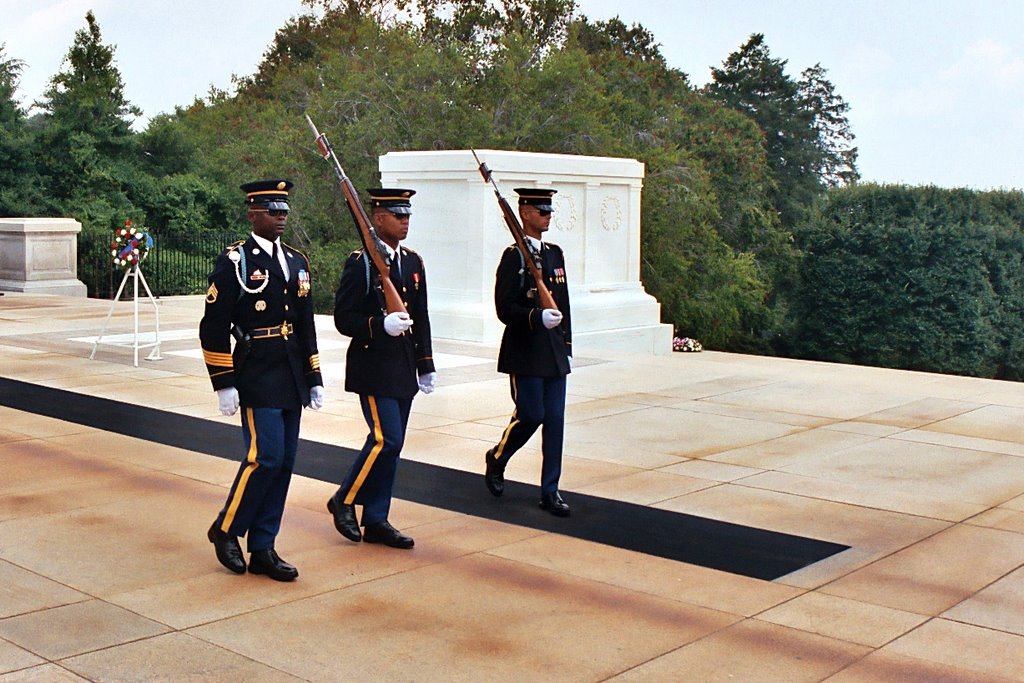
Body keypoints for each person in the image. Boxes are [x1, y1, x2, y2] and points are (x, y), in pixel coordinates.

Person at [200, 179, 324, 581]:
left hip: (290, 374)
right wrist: (224, 381)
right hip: (256, 371)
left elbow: (305, 323)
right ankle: (226, 529)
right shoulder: (236, 261)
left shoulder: (297, 260)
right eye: (273, 210)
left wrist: (314, 375)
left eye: (284, 210)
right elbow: (213, 327)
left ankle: (264, 546)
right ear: (253, 214)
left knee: (284, 463)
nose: (281, 217)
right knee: (263, 458)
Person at [327, 188, 435, 549]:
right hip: (373, 366)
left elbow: (421, 316)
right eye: (397, 215)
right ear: (377, 218)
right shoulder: (361, 263)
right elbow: (344, 318)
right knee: (385, 439)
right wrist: (379, 324)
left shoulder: (413, 262)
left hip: (403, 366)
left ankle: (376, 518)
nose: (405, 221)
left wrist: (426, 364)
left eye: (407, 215)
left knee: (393, 446)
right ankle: (344, 498)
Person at [485, 188, 573, 516]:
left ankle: (550, 491)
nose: (547, 214)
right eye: (541, 210)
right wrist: (536, 316)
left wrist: (567, 345)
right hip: (525, 351)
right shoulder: (514, 257)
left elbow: (563, 304)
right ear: (524, 213)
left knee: (555, 422)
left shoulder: (555, 254)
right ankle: (497, 457)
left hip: (552, 353)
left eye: (549, 209)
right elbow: (504, 308)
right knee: (531, 414)